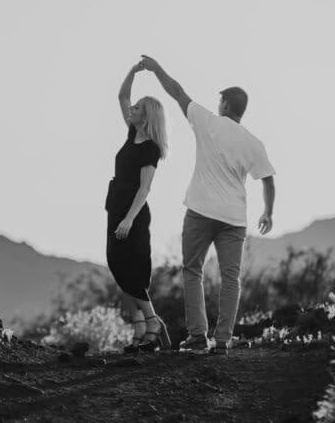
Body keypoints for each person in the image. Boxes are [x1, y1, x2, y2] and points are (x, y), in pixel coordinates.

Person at [139, 54, 276, 356]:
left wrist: (155, 67)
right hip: (234, 219)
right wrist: (267, 212)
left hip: (201, 213)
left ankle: (199, 337)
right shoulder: (254, 142)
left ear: (226, 105)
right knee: (231, 278)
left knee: (192, 271)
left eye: (220, 102)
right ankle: (223, 339)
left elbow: (175, 91)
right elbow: (267, 179)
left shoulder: (207, 121)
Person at [107, 61, 171, 352]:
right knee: (116, 264)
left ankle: (151, 321)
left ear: (146, 117)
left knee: (129, 269)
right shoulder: (131, 134)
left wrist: (129, 219)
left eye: (136, 109)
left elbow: (145, 188)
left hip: (132, 212)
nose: (130, 109)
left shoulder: (150, 148)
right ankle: (140, 329)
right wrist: (133, 72)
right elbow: (122, 97)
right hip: (116, 206)